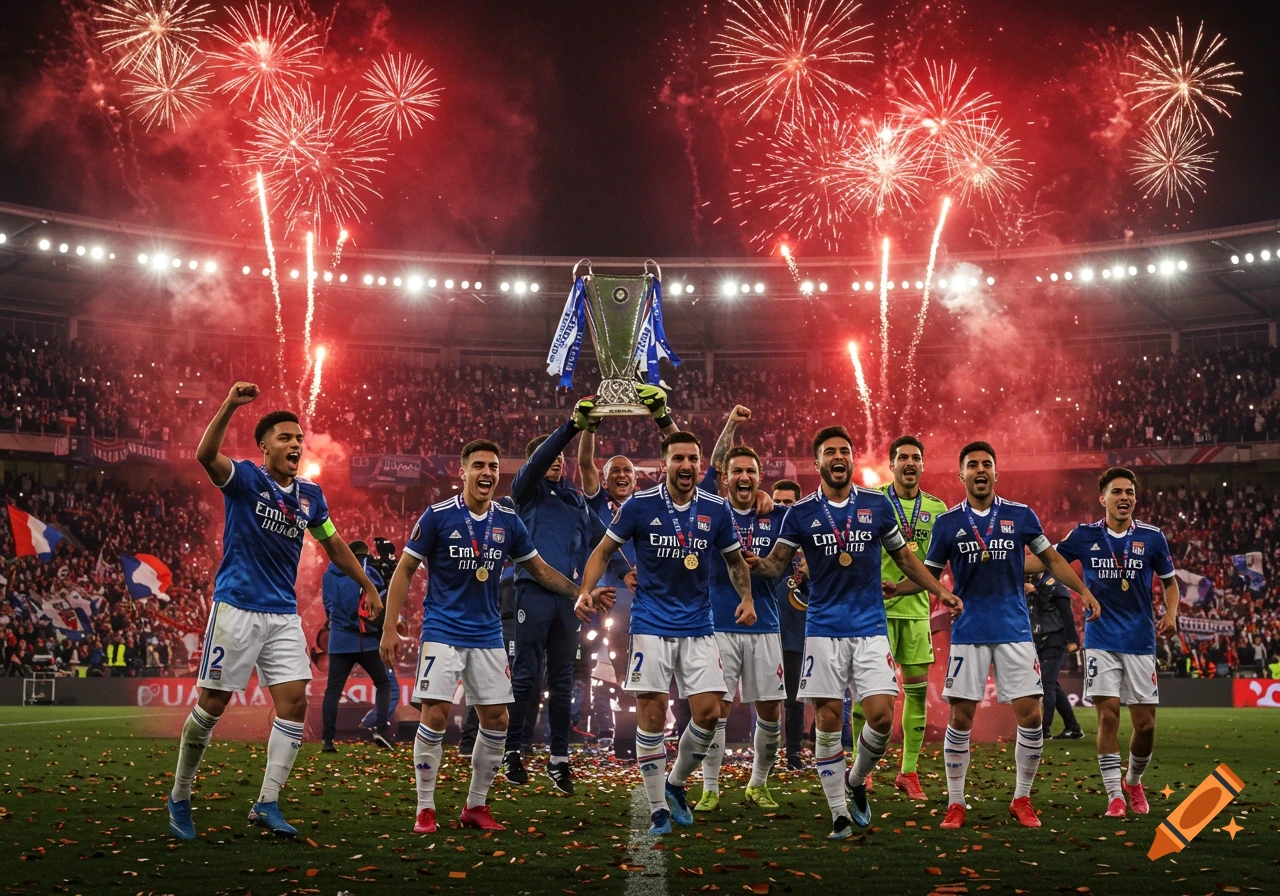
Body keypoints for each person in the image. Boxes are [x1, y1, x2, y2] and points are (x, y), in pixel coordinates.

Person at [167, 382, 384, 841]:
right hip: (237, 607)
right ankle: (180, 794)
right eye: (285, 438)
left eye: (299, 439)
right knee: (213, 704)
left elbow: (335, 547)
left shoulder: (311, 496)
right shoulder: (245, 478)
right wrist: (227, 403)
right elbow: (206, 456)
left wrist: (367, 583)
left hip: (282, 613)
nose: (295, 445)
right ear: (264, 445)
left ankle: (267, 802)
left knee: (293, 702)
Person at [379, 439, 614, 835]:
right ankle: (425, 807)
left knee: (498, 718)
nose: (487, 473)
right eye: (479, 466)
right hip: (443, 630)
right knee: (434, 716)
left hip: (487, 632)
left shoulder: (508, 520)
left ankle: (475, 806)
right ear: (463, 471)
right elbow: (404, 570)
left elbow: (538, 569)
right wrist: (390, 625)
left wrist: (579, 593)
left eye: (492, 466)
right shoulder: (437, 517)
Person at [748, 426, 962, 840]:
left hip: (869, 628)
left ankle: (856, 779)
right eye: (830, 452)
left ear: (852, 457)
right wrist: (754, 566)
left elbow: (905, 558)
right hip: (823, 630)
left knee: (881, 718)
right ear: (818, 463)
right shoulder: (802, 512)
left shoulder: (877, 506)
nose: (838, 456)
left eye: (845, 450)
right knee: (828, 720)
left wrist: (940, 591)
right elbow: (777, 564)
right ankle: (838, 815)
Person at [574, 431, 755, 836]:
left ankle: (674, 784)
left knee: (708, 714)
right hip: (651, 623)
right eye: (678, 459)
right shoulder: (640, 505)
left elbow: (735, 561)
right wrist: (585, 590)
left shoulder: (716, 509)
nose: (686, 466)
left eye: (693, 459)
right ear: (664, 464)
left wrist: (747, 597)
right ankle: (657, 807)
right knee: (652, 712)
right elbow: (603, 550)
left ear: (699, 462)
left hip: (699, 625)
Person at [918, 441, 1100, 830]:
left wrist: (1082, 592)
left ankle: (1022, 798)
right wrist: (897, 588)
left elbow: (1052, 559)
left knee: (1031, 715)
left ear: (996, 473)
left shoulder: (1020, 515)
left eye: (987, 464)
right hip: (968, 631)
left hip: (1015, 630)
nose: (980, 470)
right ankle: (955, 803)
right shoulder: (948, 523)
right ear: (961, 474)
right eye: (972, 465)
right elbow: (928, 575)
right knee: (961, 717)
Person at [502, 396, 639, 794]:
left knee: (562, 680)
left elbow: (605, 541)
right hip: (532, 594)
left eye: (561, 458)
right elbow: (545, 455)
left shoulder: (577, 501)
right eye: (551, 457)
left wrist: (626, 571)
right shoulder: (525, 494)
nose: (558, 462)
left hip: (570, 604)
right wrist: (572, 427)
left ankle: (559, 759)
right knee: (526, 676)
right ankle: (513, 750)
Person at [1052, 467, 1179, 818]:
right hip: (1101, 637)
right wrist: (1009, 564)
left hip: (1140, 640)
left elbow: (1170, 583)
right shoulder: (1083, 534)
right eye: (1117, 492)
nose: (1125, 497)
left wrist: (1171, 614)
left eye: (1130, 492)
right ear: (1102, 498)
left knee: (1146, 725)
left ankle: (1133, 781)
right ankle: (1114, 796)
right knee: (1108, 718)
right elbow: (1050, 560)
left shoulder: (1153, 537)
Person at [694, 427, 789, 811]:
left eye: (751, 471)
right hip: (718, 624)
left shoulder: (778, 516)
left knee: (769, 710)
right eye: (737, 471)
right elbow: (712, 463)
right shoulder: (711, 512)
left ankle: (758, 784)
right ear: (725, 477)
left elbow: (787, 561)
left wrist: (767, 567)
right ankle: (711, 788)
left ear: (759, 476)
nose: (744, 477)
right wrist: (730, 423)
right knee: (715, 710)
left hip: (765, 624)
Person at [850, 435, 950, 800]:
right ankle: (865, 766)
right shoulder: (873, 504)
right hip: (873, 613)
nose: (910, 463)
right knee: (867, 696)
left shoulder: (938, 509)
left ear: (923, 465)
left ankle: (908, 771)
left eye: (916, 458)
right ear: (890, 465)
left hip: (915, 612)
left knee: (916, 694)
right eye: (903, 457)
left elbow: (940, 561)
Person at [321, 540, 394, 752]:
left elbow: (327, 606)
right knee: (383, 683)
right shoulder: (368, 573)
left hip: (339, 641)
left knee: (332, 691)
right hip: (366, 640)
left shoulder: (328, 575)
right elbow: (381, 604)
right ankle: (381, 729)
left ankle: (327, 741)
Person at [771, 478, 809, 770]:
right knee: (767, 699)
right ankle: (767, 756)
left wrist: (810, 572)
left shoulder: (810, 540)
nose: (782, 507)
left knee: (796, 701)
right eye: (778, 501)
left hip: (799, 631)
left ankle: (794, 755)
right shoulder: (766, 539)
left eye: (788, 502)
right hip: (769, 630)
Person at [1024, 571, 1082, 739]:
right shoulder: (1029, 585)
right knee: (1052, 685)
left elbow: (1067, 615)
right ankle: (1073, 727)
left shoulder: (1055, 585)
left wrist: (1072, 640)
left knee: (1046, 683)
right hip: (1037, 640)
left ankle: (1044, 728)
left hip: (1055, 639)